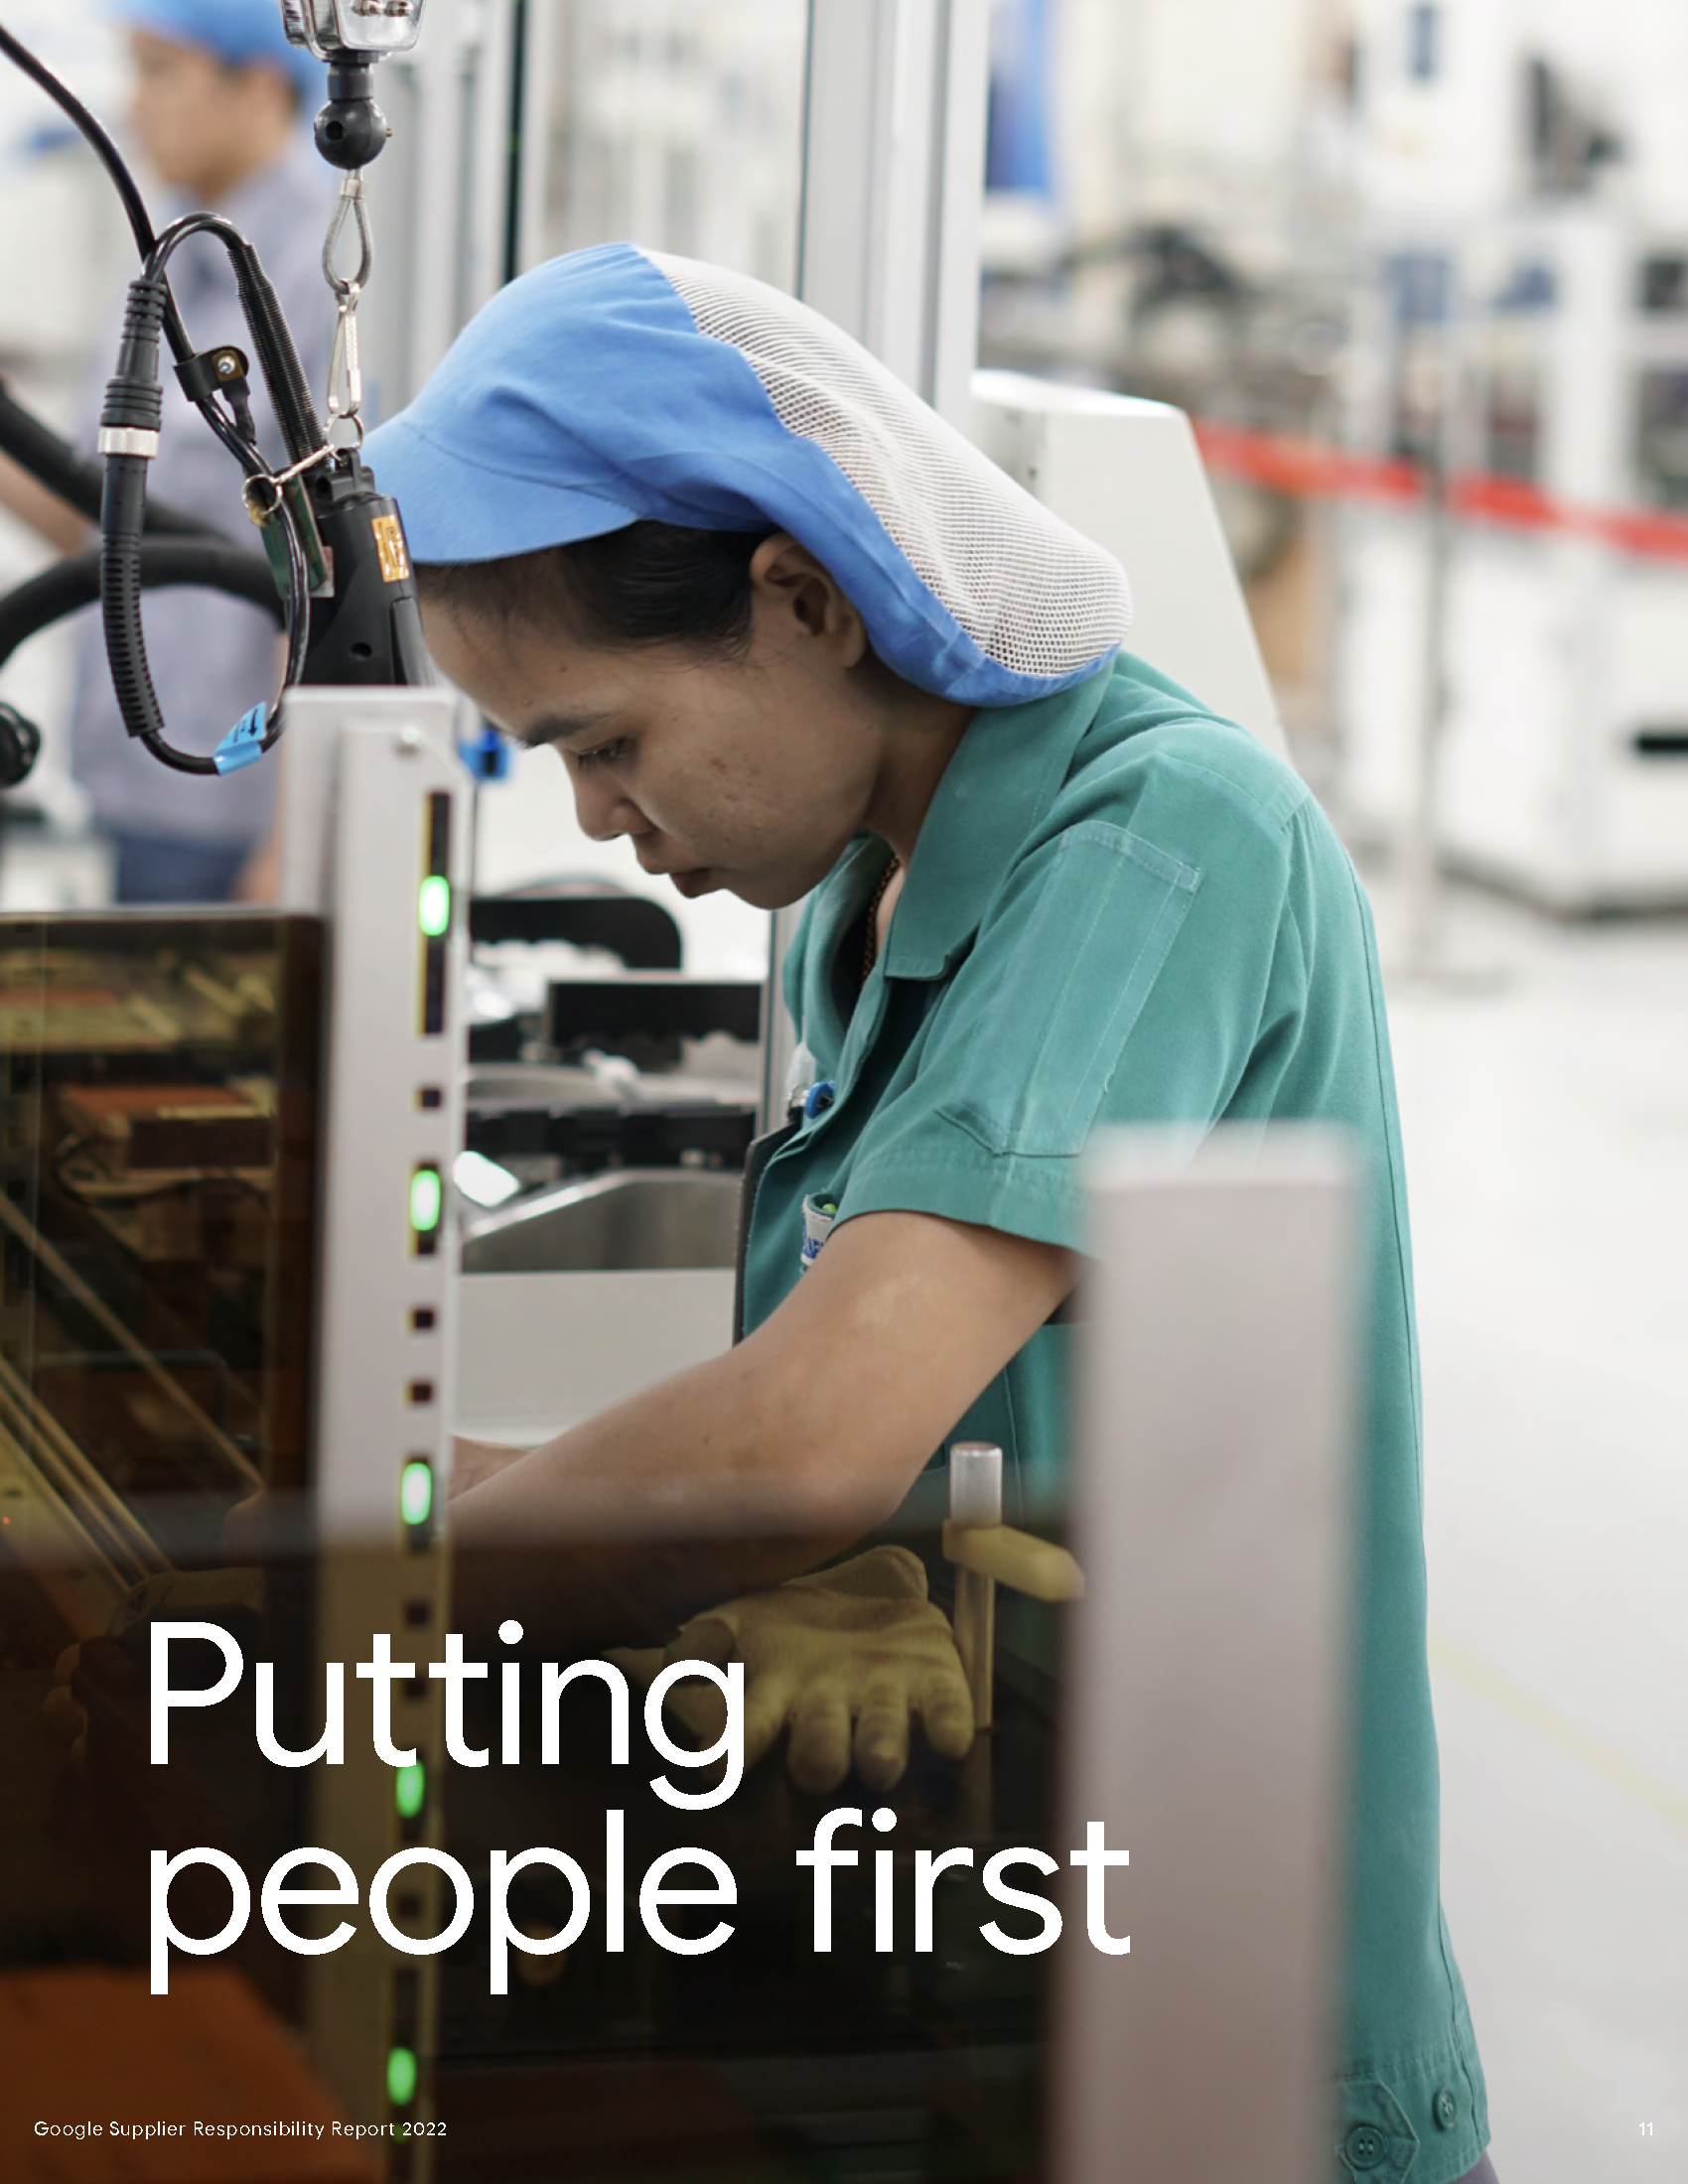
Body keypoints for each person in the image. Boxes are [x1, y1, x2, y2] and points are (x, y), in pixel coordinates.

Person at [363, 243, 1494, 2184]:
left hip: (1216, 2034)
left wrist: (313, 1627)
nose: (597, 823)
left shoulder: (1156, 843)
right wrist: (332, 1482)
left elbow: (801, 1440)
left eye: (603, 742)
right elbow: (826, 1468)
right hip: (973, 1946)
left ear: (802, 597)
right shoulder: (855, 903)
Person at [0, 0, 333, 902]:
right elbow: (92, 517)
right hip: (132, 784)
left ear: (258, 87)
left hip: (234, 808)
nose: (133, 103)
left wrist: (293, 846)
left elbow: (320, 565)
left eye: (159, 70)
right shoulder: (159, 260)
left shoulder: (314, 275)